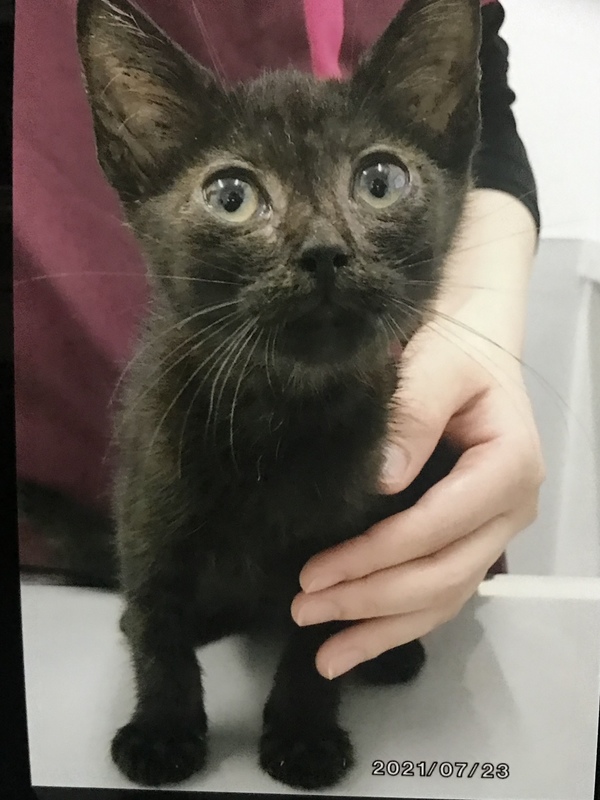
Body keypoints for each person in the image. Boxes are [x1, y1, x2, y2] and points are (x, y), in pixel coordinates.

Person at [14, 0, 543, 680]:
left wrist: (482, 319)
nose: (322, 241)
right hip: (65, 532)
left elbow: (476, 95)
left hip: (388, 490)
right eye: (234, 197)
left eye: (378, 184)